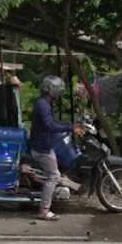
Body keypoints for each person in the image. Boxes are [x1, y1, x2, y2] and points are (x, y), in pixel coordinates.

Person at [30, 75, 82, 222]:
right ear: (51, 90)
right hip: (42, 148)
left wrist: (68, 124)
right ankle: (44, 210)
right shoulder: (43, 105)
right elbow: (49, 125)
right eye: (58, 90)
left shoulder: (44, 103)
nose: (59, 93)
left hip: (43, 143)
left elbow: (51, 122)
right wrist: (70, 127)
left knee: (58, 169)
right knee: (53, 175)